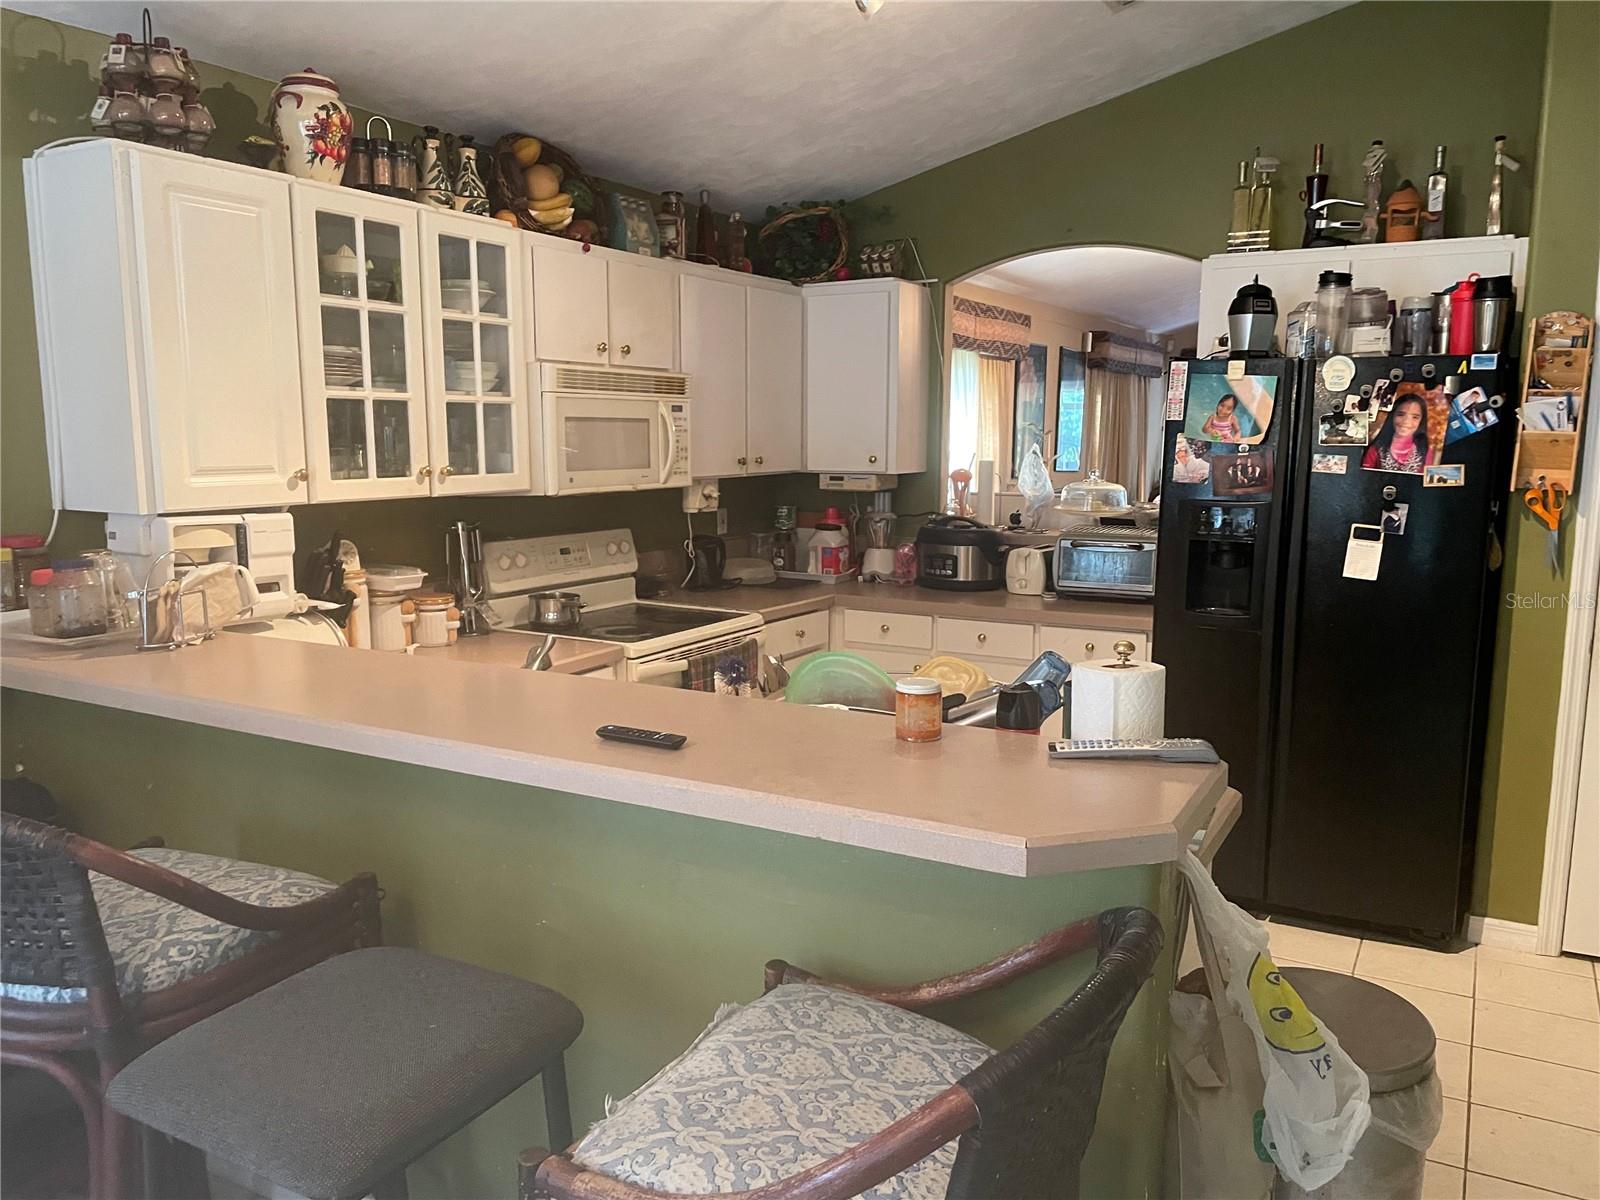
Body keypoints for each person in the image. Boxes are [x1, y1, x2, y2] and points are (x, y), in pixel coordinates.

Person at [1363, 396, 1432, 473]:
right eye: (1401, 414)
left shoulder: (1425, 451)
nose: (1406, 421)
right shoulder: (1376, 448)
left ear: (1421, 421)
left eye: (1415, 417)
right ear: (1392, 416)